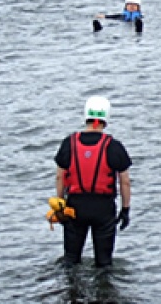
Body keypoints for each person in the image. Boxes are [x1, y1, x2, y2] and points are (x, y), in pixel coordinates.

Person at [54, 96, 132, 268]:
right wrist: (125, 209)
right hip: (103, 209)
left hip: (75, 208)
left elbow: (60, 177)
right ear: (106, 118)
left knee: (71, 261)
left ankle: (72, 293)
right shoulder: (114, 146)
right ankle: (104, 293)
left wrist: (60, 206)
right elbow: (124, 181)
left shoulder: (69, 143)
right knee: (104, 263)